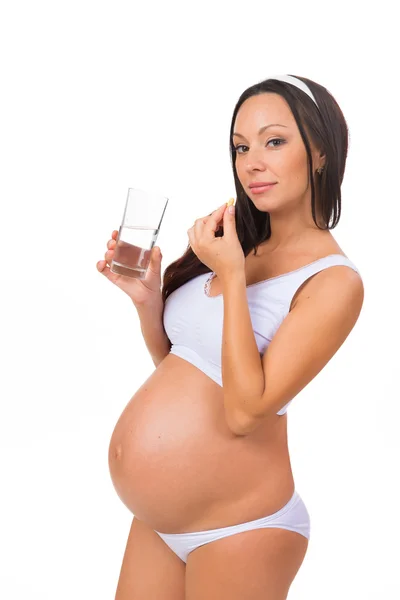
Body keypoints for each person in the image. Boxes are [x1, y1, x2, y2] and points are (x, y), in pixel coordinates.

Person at [96, 74, 364, 600]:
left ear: (321, 155)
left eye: (275, 141)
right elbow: (188, 371)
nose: (251, 162)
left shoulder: (334, 282)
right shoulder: (234, 239)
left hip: (242, 531)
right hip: (158, 521)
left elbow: (245, 411)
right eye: (241, 147)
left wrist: (235, 276)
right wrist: (149, 303)